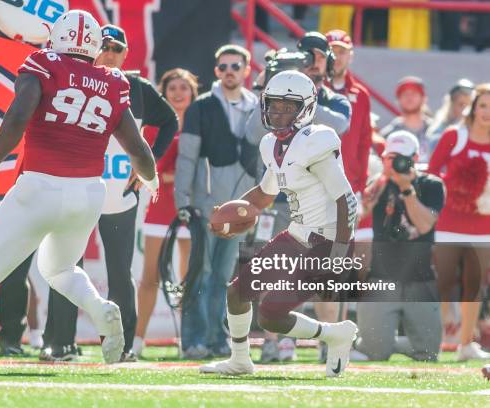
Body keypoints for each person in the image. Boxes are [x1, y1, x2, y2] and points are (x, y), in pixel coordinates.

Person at [0, 10, 157, 370]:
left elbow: (19, 114)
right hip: (87, 193)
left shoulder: (43, 62)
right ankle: (100, 311)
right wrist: (152, 177)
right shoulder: (113, 81)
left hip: (41, 184)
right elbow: (138, 148)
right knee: (60, 268)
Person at [200, 70, 358, 377]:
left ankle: (336, 335)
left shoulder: (316, 141)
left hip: (325, 242)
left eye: (288, 107)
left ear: (306, 108)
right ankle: (240, 360)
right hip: (296, 235)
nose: (278, 112)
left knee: (271, 315)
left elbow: (346, 200)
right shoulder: (270, 143)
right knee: (237, 293)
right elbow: (263, 194)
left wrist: (338, 256)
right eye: (273, 105)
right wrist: (230, 214)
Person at [94, 24, 178, 360]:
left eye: (117, 48)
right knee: (67, 266)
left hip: (120, 193)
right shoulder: (77, 78)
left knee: (119, 271)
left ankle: (125, 345)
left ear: (127, 53)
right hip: (81, 188)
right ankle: (60, 343)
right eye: (105, 47)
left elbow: (170, 121)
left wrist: (148, 166)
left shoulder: (137, 87)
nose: (110, 53)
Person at [175, 44, 259, 359]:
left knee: (225, 277)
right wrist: (183, 201)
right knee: (203, 273)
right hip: (205, 207)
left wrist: (259, 202)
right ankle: (193, 340)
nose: (229, 72)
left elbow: (263, 158)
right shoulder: (201, 106)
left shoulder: (258, 106)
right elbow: (186, 157)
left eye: (235, 66)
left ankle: (217, 339)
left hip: (242, 208)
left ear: (246, 69)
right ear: (216, 71)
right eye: (223, 67)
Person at [353, 131, 444, 361]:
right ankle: (381, 340)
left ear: (415, 157)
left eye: (401, 158)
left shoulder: (431, 184)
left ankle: (396, 342)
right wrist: (380, 182)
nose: (395, 163)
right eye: (390, 157)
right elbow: (359, 213)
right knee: (374, 352)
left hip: (420, 279)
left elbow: (424, 225)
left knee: (428, 353)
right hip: (381, 279)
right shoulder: (379, 185)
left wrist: (406, 189)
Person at [133, 68, 198, 357]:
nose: (178, 92)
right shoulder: (156, 127)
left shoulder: (200, 123)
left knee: (188, 278)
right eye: (172, 87)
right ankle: (137, 339)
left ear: (193, 92)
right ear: (164, 92)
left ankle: (187, 339)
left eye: (184, 87)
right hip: (160, 209)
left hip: (191, 209)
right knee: (150, 277)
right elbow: (150, 169)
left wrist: (178, 177)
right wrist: (179, 177)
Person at [428, 83, 490, 361]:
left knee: (473, 284)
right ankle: (438, 335)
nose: (487, 112)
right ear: (474, 108)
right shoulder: (455, 135)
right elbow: (431, 174)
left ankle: (466, 344)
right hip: (449, 222)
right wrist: (454, 192)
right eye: (483, 106)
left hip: (483, 225)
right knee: (442, 282)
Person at [324, 29, 373, 196]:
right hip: (314, 183)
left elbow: (365, 142)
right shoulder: (311, 89)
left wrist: (361, 184)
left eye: (342, 52)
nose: (336, 57)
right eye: (332, 51)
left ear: (350, 55)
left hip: (348, 183)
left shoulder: (361, 95)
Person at [380, 76, 433, 162]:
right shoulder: (387, 135)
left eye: (414, 93)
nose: (409, 97)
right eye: (405, 94)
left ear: (424, 99)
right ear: (398, 100)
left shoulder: (437, 132)